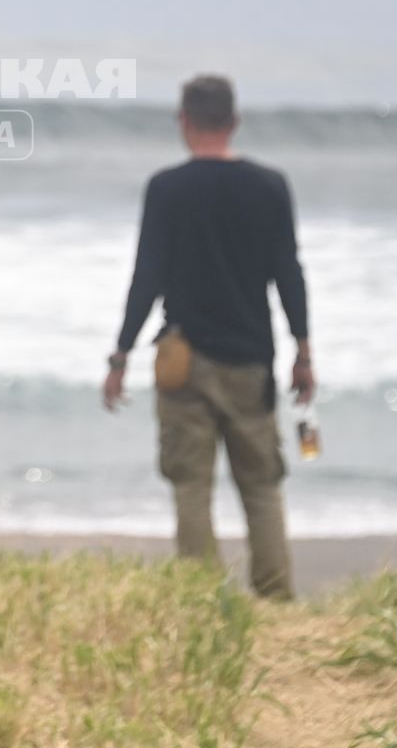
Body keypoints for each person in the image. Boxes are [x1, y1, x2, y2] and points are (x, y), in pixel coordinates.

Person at [100, 74, 313, 599]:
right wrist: (303, 352)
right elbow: (289, 274)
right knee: (261, 488)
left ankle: (204, 603)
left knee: (191, 486)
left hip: (183, 360)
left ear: (184, 122)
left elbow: (146, 277)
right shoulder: (269, 186)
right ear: (234, 122)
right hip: (251, 361)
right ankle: (276, 601)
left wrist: (120, 354)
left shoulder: (167, 189)